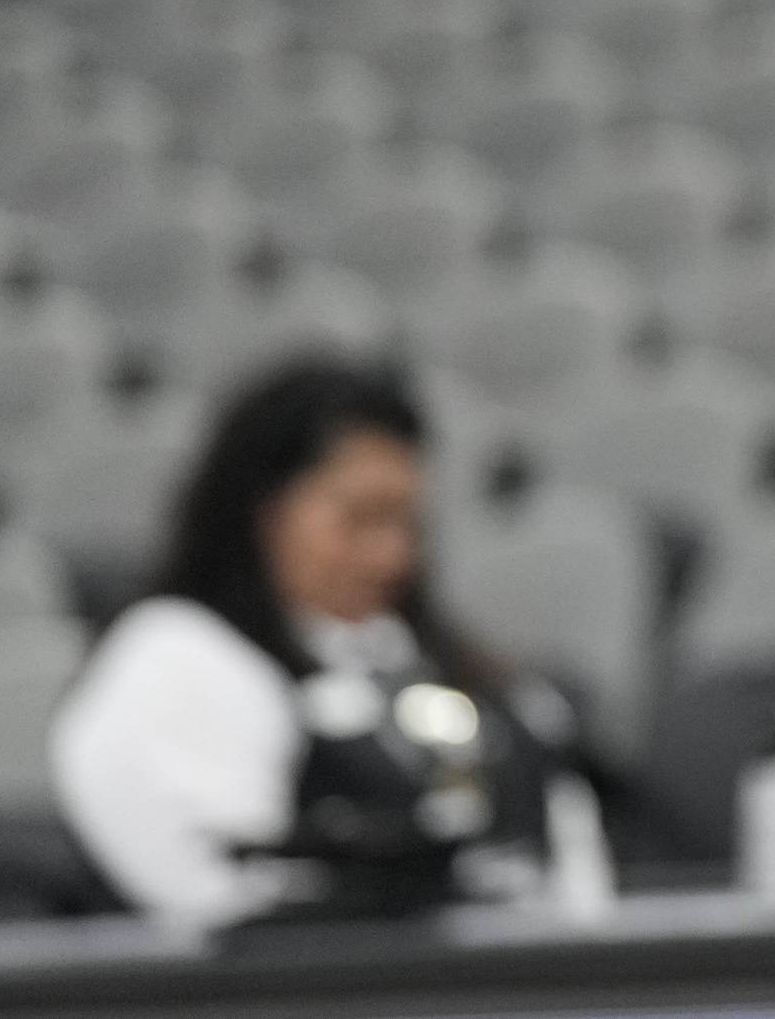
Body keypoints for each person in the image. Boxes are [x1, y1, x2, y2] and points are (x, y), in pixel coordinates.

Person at [51, 357, 577, 927]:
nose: (391, 555)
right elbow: (223, 907)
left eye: (406, 522)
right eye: (359, 518)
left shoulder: (440, 661)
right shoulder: (180, 655)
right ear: (262, 510)